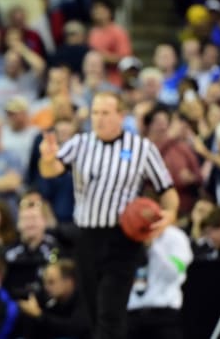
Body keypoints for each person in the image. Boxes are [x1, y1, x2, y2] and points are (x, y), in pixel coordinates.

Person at [38, 91, 179, 339]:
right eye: (94, 112)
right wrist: (47, 157)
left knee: (109, 312)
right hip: (86, 238)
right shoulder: (79, 143)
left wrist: (169, 215)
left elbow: (167, 191)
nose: (98, 118)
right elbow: (51, 170)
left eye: (105, 113)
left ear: (120, 116)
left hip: (122, 240)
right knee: (94, 312)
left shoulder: (142, 148)